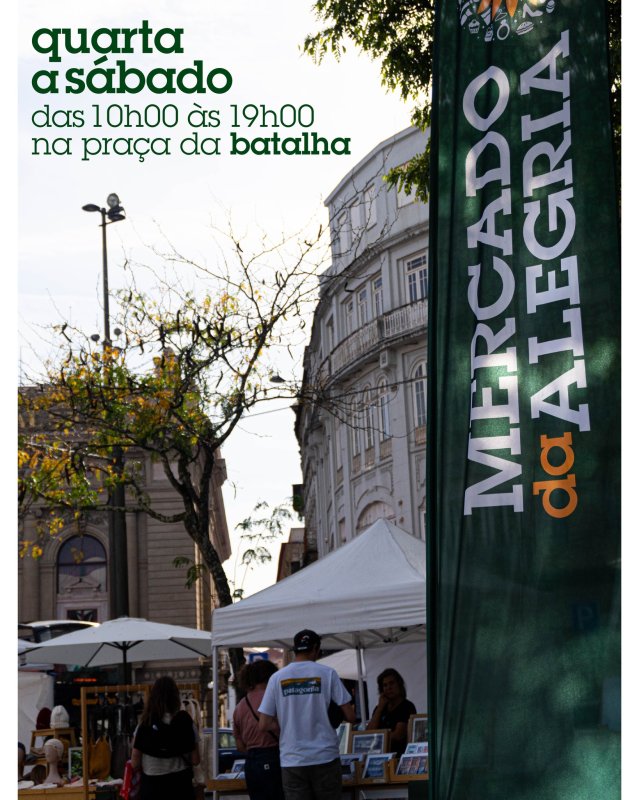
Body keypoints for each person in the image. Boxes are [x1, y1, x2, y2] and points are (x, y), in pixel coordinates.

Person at [258, 629, 355, 800]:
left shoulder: (277, 678)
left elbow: (263, 724)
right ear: (316, 648)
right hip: (325, 756)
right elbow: (351, 716)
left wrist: (284, 725)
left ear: (295, 649)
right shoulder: (328, 673)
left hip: (292, 759)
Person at [131, 676, 200, 800]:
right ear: (176, 697)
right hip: (181, 786)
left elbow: (135, 763)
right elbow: (195, 760)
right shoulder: (186, 722)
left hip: (152, 788)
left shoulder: (145, 724)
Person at [233, 659, 284, 800]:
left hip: (251, 763)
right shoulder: (274, 698)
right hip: (274, 758)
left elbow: (240, 745)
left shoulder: (240, 706)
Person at [366, 668, 416, 756]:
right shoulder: (379, 708)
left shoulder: (407, 706)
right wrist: (380, 708)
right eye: (385, 685)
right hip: (378, 755)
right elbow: (368, 733)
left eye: (391, 683)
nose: (388, 688)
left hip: (398, 756)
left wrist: (377, 738)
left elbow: (398, 735)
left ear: (399, 685)